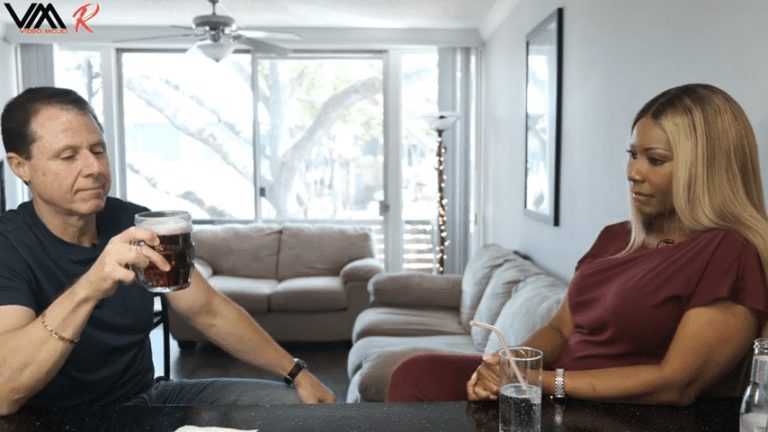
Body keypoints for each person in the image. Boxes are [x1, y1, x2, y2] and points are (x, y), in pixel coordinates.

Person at [388, 83, 768, 406]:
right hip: (553, 391)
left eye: (655, 160)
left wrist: (537, 382)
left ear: (705, 168)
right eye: (632, 154)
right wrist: (513, 363)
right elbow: (559, 329)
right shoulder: (614, 238)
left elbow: (677, 383)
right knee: (416, 373)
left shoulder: (728, 253)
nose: (633, 173)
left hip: (612, 412)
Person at [0, 87, 335, 415]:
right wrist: (90, 287)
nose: (94, 168)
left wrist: (296, 372)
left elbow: (208, 310)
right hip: (56, 420)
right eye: (68, 155)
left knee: (298, 406)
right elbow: (5, 392)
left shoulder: (131, 221)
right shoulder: (8, 245)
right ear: (20, 166)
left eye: (98, 150)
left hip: (146, 400)